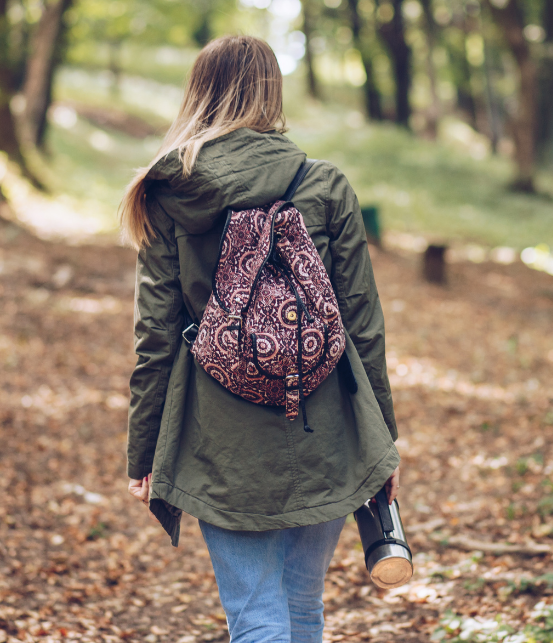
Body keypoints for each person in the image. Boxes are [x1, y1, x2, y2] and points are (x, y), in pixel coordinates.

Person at [120, 35, 401, 642]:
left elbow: (156, 338)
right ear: (270, 91)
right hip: (327, 427)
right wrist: (382, 439)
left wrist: (143, 451)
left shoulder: (170, 195)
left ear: (200, 94)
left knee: (254, 619)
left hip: (220, 442)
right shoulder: (325, 186)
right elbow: (364, 324)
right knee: (303, 606)